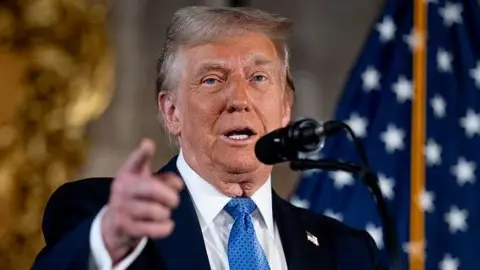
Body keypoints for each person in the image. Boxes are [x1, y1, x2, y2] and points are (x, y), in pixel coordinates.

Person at [32, 6, 385, 270]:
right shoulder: (99, 213)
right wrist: (107, 238)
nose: (239, 99)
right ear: (172, 112)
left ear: (286, 107)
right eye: (212, 79)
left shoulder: (348, 252)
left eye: (258, 78)